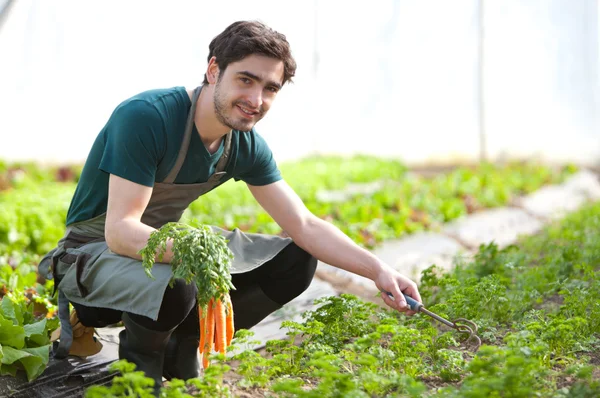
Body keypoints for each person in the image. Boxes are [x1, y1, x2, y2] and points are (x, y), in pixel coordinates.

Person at [39, 20, 422, 393]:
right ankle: (139, 372)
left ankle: (182, 344)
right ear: (213, 70)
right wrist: (196, 257)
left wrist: (379, 270)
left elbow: (304, 224)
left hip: (156, 253)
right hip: (89, 257)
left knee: (296, 258)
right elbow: (120, 231)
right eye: (246, 79)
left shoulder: (243, 144)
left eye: (270, 88)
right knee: (180, 276)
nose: (256, 101)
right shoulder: (148, 117)